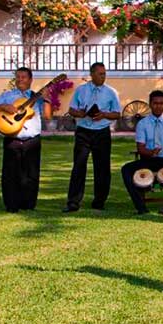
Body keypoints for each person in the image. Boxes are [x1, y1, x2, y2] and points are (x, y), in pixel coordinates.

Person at [0, 67, 52, 213]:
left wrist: (47, 98)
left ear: (30, 80)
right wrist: (3, 106)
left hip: (32, 140)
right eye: (18, 77)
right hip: (13, 139)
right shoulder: (8, 95)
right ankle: (11, 204)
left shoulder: (36, 97)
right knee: (10, 174)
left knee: (31, 174)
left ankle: (28, 204)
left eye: (23, 77)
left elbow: (48, 116)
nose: (20, 79)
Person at [62, 62, 121, 212]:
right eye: (100, 74)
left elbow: (117, 113)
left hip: (102, 132)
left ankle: (99, 201)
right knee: (79, 166)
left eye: (104, 74)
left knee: (102, 167)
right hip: (83, 131)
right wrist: (80, 113)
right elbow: (71, 109)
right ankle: (73, 201)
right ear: (92, 74)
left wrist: (104, 115)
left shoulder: (111, 92)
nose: (103, 76)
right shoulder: (81, 90)